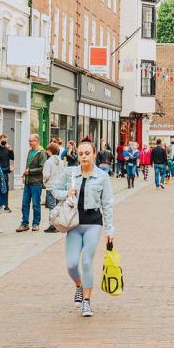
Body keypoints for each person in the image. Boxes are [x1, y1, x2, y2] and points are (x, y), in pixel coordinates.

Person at [52, 137, 114, 317]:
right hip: (73, 223)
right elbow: (54, 189)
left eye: (87, 153)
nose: (84, 156)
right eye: (80, 154)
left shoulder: (102, 176)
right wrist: (66, 193)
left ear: (94, 154)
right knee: (71, 264)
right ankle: (78, 286)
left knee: (87, 261)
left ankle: (86, 302)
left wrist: (110, 230)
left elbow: (107, 204)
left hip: (93, 222)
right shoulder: (70, 173)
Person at [18, 134, 47, 232]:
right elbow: (28, 166)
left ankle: (36, 224)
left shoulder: (42, 152)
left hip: (36, 182)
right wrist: (24, 175)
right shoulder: (30, 151)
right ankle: (24, 223)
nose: (29, 143)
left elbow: (42, 168)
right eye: (29, 141)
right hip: (28, 182)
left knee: (36, 204)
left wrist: (30, 172)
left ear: (37, 141)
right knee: (25, 204)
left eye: (31, 141)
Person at [42, 143, 65, 233]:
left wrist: (44, 181)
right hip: (59, 187)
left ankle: (52, 225)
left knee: (51, 206)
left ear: (50, 151)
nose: (47, 152)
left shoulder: (49, 162)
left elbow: (46, 175)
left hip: (51, 186)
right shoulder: (62, 162)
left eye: (47, 150)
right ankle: (58, 224)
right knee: (58, 206)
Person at [0, 134, 15, 213]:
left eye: (5, 140)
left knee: (6, 189)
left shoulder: (7, 149)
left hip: (6, 172)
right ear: (0, 139)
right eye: (3, 140)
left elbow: (12, 157)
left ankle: (6, 205)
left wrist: (11, 150)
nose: (4, 141)